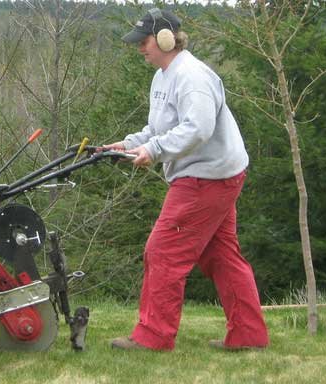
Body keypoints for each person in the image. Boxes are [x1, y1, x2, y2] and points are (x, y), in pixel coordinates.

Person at [106, 8, 269, 351]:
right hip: (214, 173)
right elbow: (159, 127)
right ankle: (248, 336)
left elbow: (198, 128)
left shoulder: (191, 77)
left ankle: (154, 337)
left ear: (166, 39)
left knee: (162, 251)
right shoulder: (163, 76)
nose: (140, 48)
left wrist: (155, 151)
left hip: (206, 177)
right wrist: (130, 144)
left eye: (145, 41)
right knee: (221, 256)